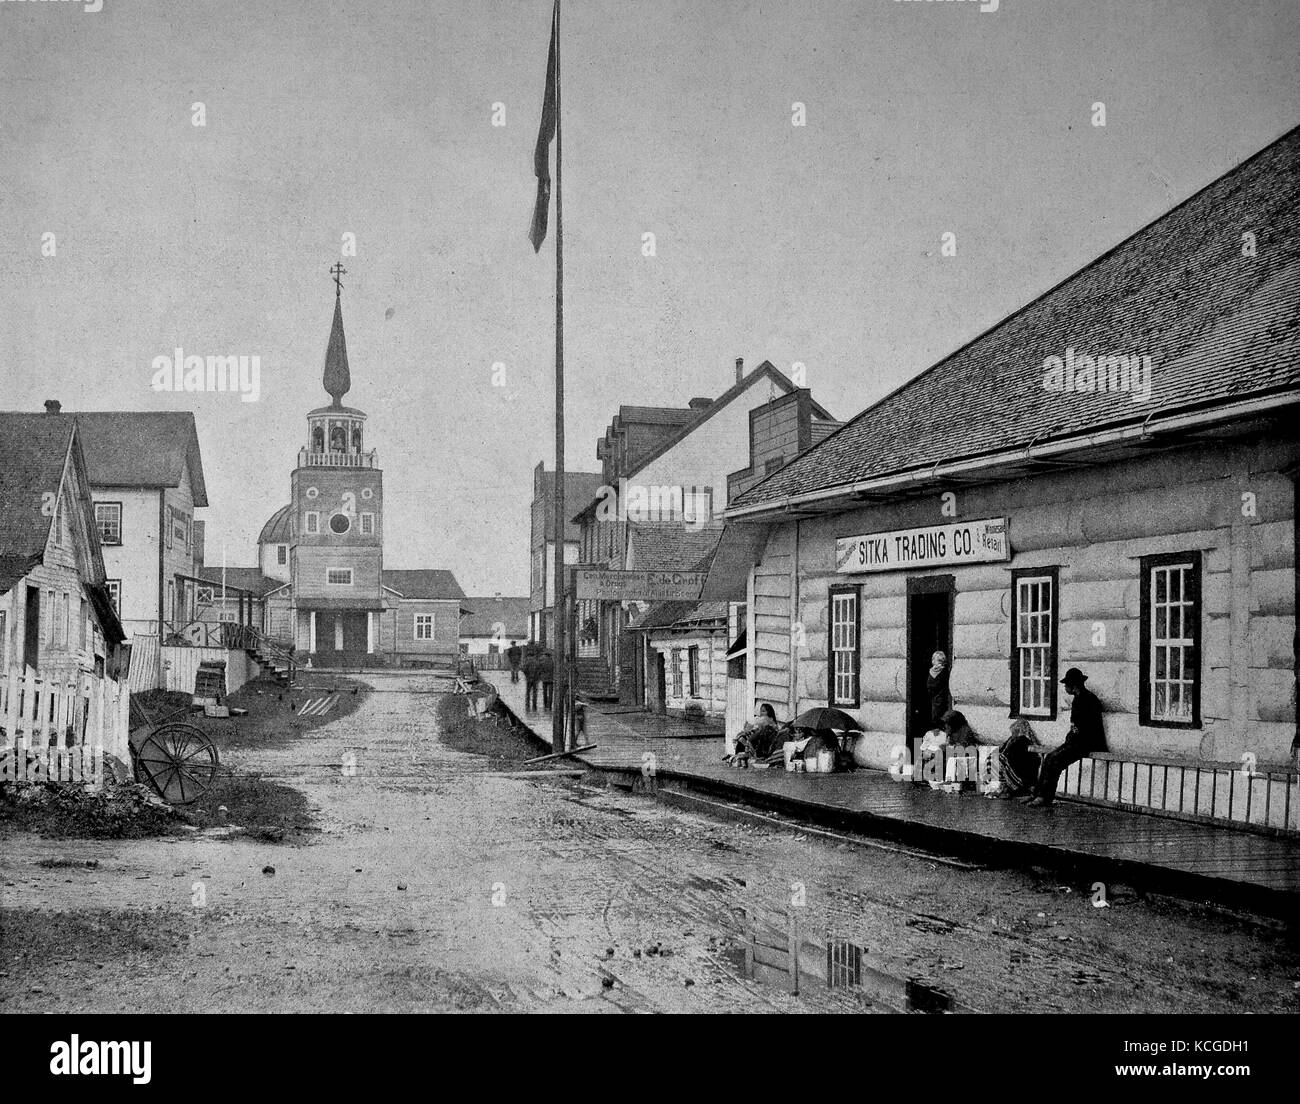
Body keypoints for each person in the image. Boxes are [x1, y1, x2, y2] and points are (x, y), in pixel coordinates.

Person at [1024, 667, 1106, 807]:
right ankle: (1037, 794)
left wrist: (1071, 739)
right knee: (1049, 757)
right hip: (1077, 741)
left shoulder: (1087, 700)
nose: (1065, 687)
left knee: (1055, 761)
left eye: (1066, 685)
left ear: (1073, 686)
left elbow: (1085, 728)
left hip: (1087, 743)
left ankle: (1045, 798)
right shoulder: (1080, 698)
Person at [985, 719, 1040, 798]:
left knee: (997, 758)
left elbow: (1012, 760)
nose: (1012, 734)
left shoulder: (1021, 742)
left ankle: (1000, 788)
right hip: (1018, 777)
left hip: (1021, 780)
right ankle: (999, 788)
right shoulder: (1016, 741)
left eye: (1014, 732)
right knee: (995, 757)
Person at [927, 651, 952, 727]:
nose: (933, 662)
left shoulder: (936, 671)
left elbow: (930, 686)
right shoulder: (943, 671)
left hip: (938, 699)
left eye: (935, 660)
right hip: (938, 699)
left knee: (937, 720)